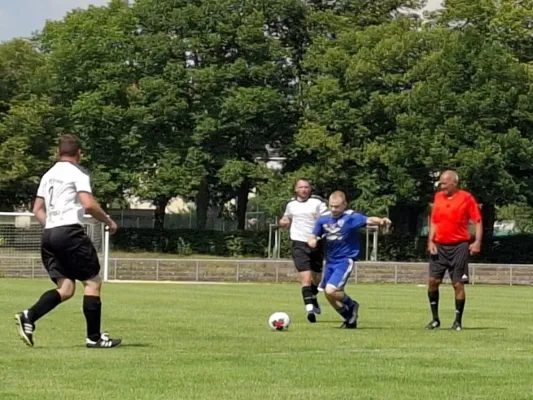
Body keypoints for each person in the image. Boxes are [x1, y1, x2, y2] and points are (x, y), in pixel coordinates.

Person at [14, 134, 122, 348]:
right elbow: (88, 204)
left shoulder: (48, 175)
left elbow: (37, 209)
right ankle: (94, 338)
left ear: (58, 153)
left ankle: (29, 316)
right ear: (79, 153)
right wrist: (108, 220)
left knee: (66, 289)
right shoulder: (78, 173)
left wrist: (53, 227)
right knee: (92, 281)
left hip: (49, 234)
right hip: (69, 232)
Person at [308, 191, 391, 328]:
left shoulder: (351, 217)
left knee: (331, 290)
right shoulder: (323, 220)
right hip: (330, 262)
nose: (334, 209)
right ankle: (349, 319)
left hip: (345, 260)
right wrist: (312, 241)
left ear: (344, 204)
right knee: (328, 295)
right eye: (331, 206)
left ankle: (352, 305)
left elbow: (369, 219)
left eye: (337, 206)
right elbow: (313, 235)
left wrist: (381, 220)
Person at [426, 170, 482, 331]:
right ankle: (435, 319)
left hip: (459, 246)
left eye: (444, 183)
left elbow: (477, 221)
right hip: (439, 246)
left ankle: (457, 321)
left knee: (457, 283)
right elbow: (434, 221)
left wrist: (477, 241)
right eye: (440, 183)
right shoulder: (438, 198)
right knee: (433, 282)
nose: (441, 186)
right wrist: (431, 241)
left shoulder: (466, 198)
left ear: (454, 183)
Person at [279, 179, 328, 323]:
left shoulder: (317, 203)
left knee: (317, 279)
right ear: (296, 189)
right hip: (299, 243)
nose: (304, 189)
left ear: (310, 189)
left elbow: (327, 218)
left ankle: (312, 297)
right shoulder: (291, 205)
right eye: (301, 187)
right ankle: (310, 310)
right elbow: (286, 218)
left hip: (316, 242)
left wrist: (321, 220)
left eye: (306, 187)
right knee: (305, 278)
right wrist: (284, 222)